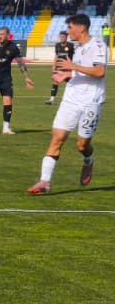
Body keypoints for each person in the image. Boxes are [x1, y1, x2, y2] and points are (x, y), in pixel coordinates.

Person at [28, 13, 105, 194]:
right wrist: (66, 76)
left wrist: (73, 68)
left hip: (91, 102)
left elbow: (100, 71)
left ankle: (88, 159)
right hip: (70, 99)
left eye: (70, 28)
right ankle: (45, 182)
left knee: (82, 145)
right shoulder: (77, 49)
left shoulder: (98, 46)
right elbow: (79, 74)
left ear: (81, 28)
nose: (68, 32)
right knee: (57, 138)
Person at [47, 30, 73, 105]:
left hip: (68, 68)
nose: (62, 38)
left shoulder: (70, 45)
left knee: (71, 83)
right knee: (55, 81)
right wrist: (54, 66)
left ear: (66, 37)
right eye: (61, 37)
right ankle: (51, 100)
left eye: (63, 37)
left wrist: (71, 66)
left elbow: (72, 57)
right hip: (59, 67)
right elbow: (56, 56)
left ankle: (72, 99)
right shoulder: (57, 45)